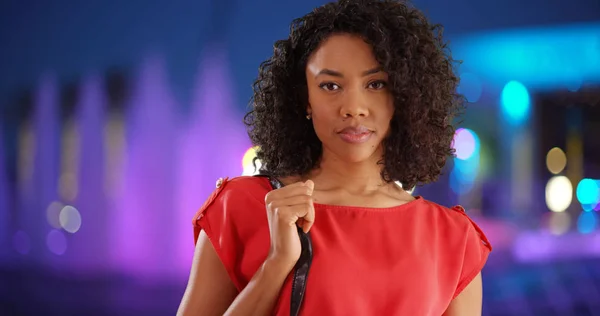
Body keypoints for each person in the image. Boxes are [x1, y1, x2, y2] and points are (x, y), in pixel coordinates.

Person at [177, 0, 492, 315]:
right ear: (305, 99)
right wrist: (276, 265)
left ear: (404, 96)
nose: (353, 107)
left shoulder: (454, 238)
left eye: (375, 84)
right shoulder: (244, 207)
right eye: (330, 85)